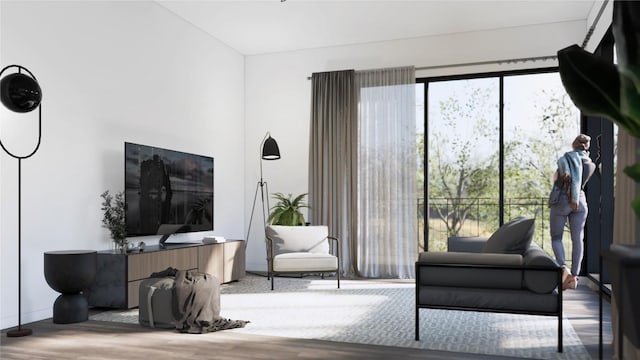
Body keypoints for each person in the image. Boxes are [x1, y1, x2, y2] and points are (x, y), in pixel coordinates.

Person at [549, 134, 596, 290]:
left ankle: (564, 269)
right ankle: (574, 276)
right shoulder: (591, 164)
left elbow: (558, 179)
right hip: (580, 200)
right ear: (587, 147)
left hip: (563, 198)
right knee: (578, 239)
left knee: (556, 237)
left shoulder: (566, 159)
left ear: (574, 145)